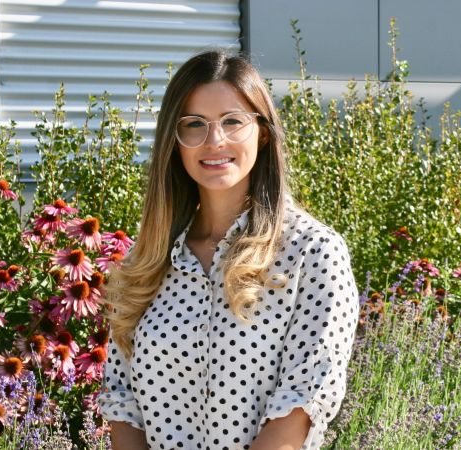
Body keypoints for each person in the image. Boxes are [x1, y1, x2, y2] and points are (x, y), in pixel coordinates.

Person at [99, 49, 359, 450]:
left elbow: (304, 400)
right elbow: (123, 402)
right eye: (194, 125)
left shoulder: (313, 252)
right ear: (175, 141)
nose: (214, 140)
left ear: (264, 132)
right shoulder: (146, 263)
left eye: (233, 121)